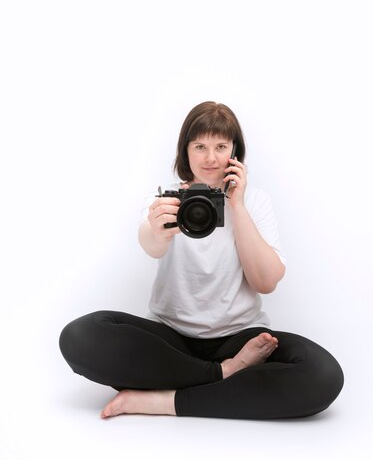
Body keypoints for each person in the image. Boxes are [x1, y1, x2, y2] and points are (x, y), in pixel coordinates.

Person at [59, 101, 344, 419]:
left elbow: (265, 282)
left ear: (234, 152)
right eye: (200, 146)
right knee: (79, 336)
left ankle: (162, 401)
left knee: (323, 375)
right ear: (186, 151)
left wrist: (237, 206)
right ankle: (222, 375)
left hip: (239, 336)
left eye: (221, 146)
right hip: (171, 338)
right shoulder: (164, 199)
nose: (210, 158)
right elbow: (151, 246)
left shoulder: (254, 202)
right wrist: (158, 227)